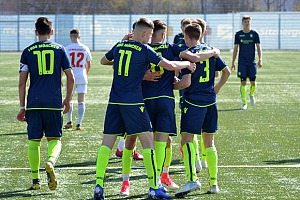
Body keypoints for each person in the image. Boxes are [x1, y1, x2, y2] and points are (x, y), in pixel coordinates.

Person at [93, 17, 196, 200]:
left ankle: (99, 186)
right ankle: (154, 187)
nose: (150, 39)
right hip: (133, 102)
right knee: (149, 143)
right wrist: (187, 64)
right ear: (144, 34)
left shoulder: (119, 45)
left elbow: (102, 61)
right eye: (148, 35)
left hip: (114, 101)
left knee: (107, 143)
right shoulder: (143, 49)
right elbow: (170, 65)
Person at [17, 17, 74, 191]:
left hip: (33, 102)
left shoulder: (28, 51)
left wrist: (22, 107)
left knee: (33, 142)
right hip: (53, 101)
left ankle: (35, 181)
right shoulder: (60, 49)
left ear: (36, 32)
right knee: (54, 139)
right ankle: (50, 162)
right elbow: (70, 78)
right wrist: (68, 99)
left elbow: (22, 82)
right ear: (52, 32)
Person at [173, 23, 230, 197]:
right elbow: (226, 71)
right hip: (210, 101)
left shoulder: (191, 54)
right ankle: (214, 183)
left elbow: (186, 83)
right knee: (209, 142)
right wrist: (217, 88)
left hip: (194, 102)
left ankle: (192, 179)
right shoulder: (211, 50)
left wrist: (172, 86)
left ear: (187, 37)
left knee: (187, 139)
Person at [115, 21, 143, 161]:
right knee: (133, 122)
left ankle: (124, 148)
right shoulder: (131, 46)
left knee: (130, 123)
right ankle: (123, 149)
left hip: (126, 88)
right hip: (129, 89)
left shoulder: (127, 44)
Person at [231, 15, 262, 110]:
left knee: (253, 82)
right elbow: (236, 49)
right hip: (242, 62)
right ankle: (244, 103)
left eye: (248, 21)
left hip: (251, 62)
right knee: (243, 82)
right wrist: (233, 62)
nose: (247, 23)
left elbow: (258, 47)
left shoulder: (255, 34)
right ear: (242, 23)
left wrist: (260, 59)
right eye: (245, 21)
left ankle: (251, 95)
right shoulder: (238, 35)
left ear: (250, 22)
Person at [64, 28, 92, 130]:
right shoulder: (85, 48)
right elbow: (88, 64)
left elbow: (63, 65)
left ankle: (69, 121)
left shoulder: (67, 48)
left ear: (71, 37)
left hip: (70, 77)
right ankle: (79, 123)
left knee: (69, 99)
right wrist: (85, 73)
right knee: (81, 101)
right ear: (79, 36)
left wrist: (61, 77)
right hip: (82, 76)